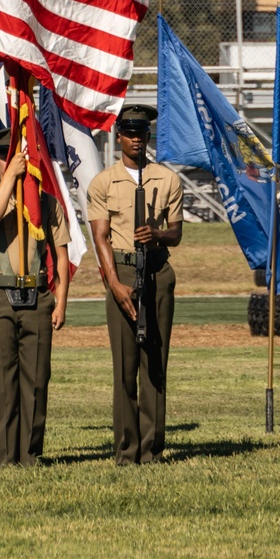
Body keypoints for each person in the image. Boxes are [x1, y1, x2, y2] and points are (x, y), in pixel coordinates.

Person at [87, 104, 183, 465]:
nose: (136, 139)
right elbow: (100, 238)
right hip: (122, 273)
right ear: (119, 136)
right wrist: (114, 284)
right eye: (129, 132)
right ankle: (127, 451)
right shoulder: (103, 182)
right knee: (125, 365)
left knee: (155, 363)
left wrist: (158, 234)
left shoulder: (167, 179)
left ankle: (151, 450)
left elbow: (176, 232)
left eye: (141, 133)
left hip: (158, 272)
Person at [0, 127, 69, 467]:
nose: (16, 162)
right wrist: (10, 177)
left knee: (37, 380)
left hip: (37, 295)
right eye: (5, 157)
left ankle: (30, 455)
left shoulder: (44, 201)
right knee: (5, 380)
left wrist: (62, 301)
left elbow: (62, 254)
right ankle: (6, 457)